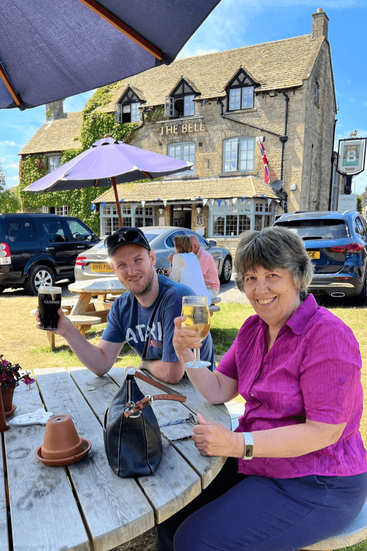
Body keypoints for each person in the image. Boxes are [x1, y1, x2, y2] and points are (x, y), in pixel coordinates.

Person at [157, 226, 367, 551]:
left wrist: (237, 442)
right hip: (262, 462)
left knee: (195, 541)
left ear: (297, 277)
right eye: (251, 278)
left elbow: (323, 433)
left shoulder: (326, 335)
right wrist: (185, 352)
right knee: (171, 514)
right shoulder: (253, 329)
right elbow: (216, 390)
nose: (260, 288)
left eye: (272, 275)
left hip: (320, 481)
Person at [36, 227, 215, 384]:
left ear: (152, 258)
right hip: (155, 390)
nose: (131, 271)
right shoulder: (122, 306)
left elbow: (172, 373)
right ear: (114, 270)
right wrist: (67, 330)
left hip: (196, 394)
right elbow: (101, 364)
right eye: (121, 265)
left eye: (138, 260)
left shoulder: (176, 297)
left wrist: (145, 364)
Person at [168, 235, 212, 305]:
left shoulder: (178, 257)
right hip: (205, 300)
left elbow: (172, 281)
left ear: (179, 247)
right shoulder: (193, 256)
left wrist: (171, 263)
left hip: (192, 302)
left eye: (175, 246)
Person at [189, 234, 220, 301]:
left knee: (191, 299)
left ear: (194, 246)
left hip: (211, 289)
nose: (186, 249)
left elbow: (196, 278)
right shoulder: (193, 255)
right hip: (202, 287)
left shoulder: (204, 257)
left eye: (187, 247)